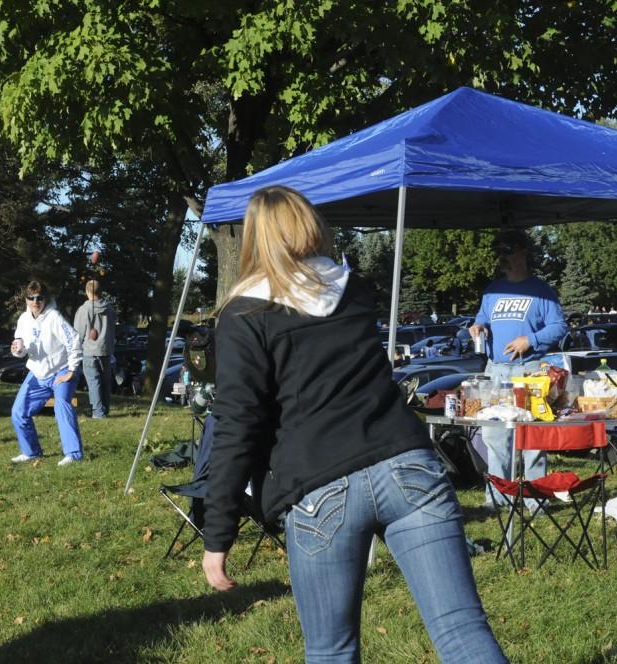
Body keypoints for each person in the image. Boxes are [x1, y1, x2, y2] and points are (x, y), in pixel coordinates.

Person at [202, 186, 505, 663]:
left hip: (320, 487)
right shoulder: (352, 289)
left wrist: (217, 534)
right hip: (409, 467)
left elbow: (238, 423)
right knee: (462, 631)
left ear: (255, 239)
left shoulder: (246, 314)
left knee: (331, 651)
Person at [469, 229, 566, 508]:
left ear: (524, 253)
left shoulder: (541, 291)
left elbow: (559, 326)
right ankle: (499, 497)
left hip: (530, 369)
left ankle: (536, 498)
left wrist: (531, 339)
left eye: (508, 251)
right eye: (500, 252)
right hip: (495, 371)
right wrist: (478, 327)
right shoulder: (492, 290)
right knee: (494, 435)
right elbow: (481, 318)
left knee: (533, 436)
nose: (503, 257)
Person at [9, 279, 85, 466]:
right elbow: (21, 348)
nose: (35, 302)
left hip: (61, 370)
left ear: (45, 299)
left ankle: (73, 454)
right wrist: (18, 351)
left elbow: (74, 340)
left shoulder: (54, 318)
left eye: (39, 298)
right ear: (26, 299)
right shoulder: (23, 320)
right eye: (31, 298)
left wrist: (72, 370)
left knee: (62, 405)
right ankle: (31, 452)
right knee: (18, 412)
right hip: (37, 373)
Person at [73, 279, 115, 418]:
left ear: (87, 292)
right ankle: (105, 409)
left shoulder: (84, 310)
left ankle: (98, 412)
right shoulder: (109, 309)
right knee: (105, 382)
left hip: (90, 351)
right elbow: (112, 329)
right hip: (106, 350)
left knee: (93, 382)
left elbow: (77, 332)